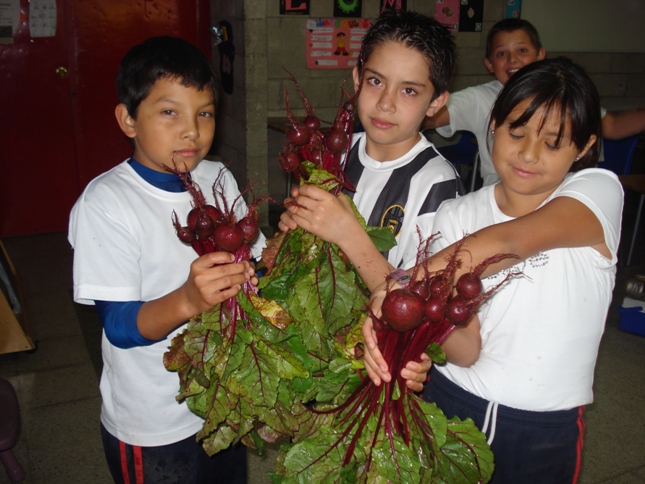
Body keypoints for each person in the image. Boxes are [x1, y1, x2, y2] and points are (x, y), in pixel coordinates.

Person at [364, 57, 624, 483]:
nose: (528, 154)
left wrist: (403, 283)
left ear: (583, 146)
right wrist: (424, 330)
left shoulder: (597, 193)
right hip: (451, 403)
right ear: (493, 124)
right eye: (515, 133)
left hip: (542, 430)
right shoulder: (456, 214)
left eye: (554, 143)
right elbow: (466, 351)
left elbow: (508, 241)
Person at [68, 36, 264, 483]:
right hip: (154, 420)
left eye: (205, 112)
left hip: (224, 399)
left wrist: (260, 266)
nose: (191, 130)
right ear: (128, 119)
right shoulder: (108, 202)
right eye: (169, 112)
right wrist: (188, 301)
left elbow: (254, 262)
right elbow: (118, 327)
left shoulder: (218, 177)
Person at [279, 10, 462, 390]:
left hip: (376, 362)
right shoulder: (335, 153)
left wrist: (348, 233)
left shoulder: (437, 184)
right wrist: (294, 228)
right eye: (376, 81)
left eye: (409, 90)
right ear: (357, 79)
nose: (385, 103)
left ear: (436, 101)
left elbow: (420, 307)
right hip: (313, 345)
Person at [424, 17, 645, 186]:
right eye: (502, 54)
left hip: (557, 194)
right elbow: (432, 117)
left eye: (522, 50)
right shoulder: (479, 98)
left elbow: (613, 126)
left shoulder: (563, 90)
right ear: (489, 64)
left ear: (540, 54)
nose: (513, 59)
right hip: (502, 197)